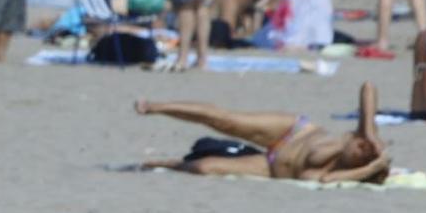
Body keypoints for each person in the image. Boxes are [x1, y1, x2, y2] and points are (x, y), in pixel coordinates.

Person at [135, 82, 390, 184]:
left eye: (362, 154)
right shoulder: (365, 137)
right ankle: (157, 106)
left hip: (270, 166)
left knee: (204, 167)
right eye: (362, 144)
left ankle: (167, 163)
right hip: (292, 132)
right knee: (225, 120)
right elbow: (368, 88)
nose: (362, 146)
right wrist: (369, 129)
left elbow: (316, 179)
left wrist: (366, 171)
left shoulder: (335, 173)